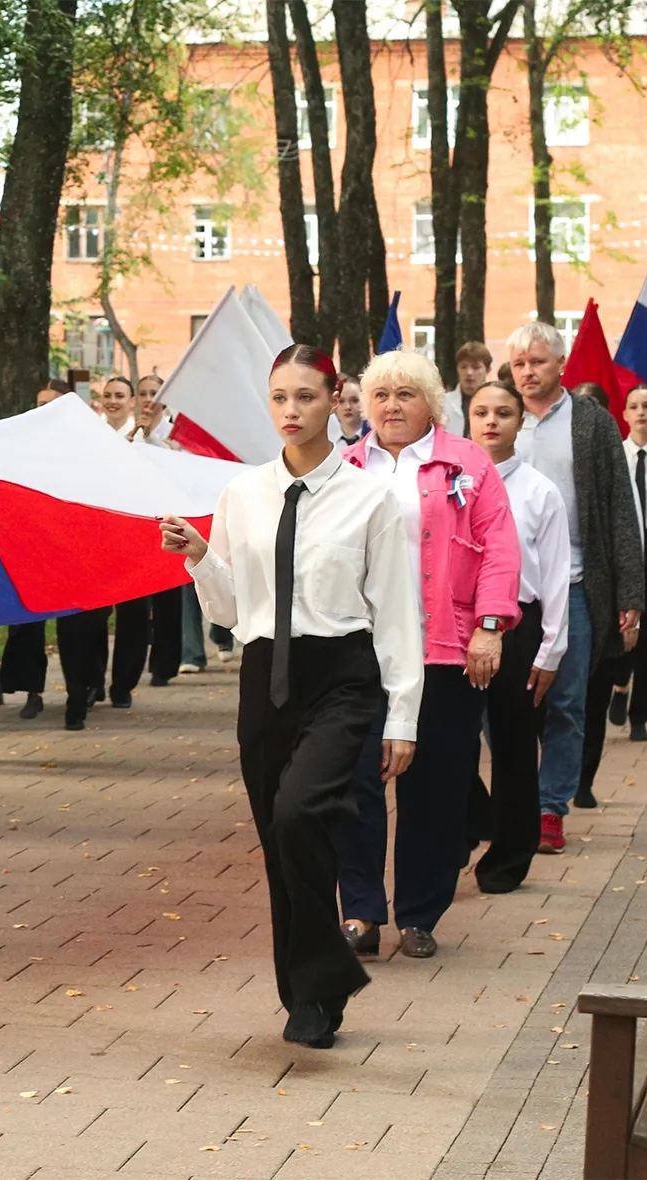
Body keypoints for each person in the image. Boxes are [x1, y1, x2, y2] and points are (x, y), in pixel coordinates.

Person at [160, 343, 422, 1049]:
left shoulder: (371, 497)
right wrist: (198, 558)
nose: (291, 411)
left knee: (303, 813)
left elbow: (396, 613)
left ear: (334, 401)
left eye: (305, 397)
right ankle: (308, 997)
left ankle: (323, 979)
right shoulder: (242, 494)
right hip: (264, 678)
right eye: (279, 397)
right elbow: (230, 610)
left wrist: (403, 717)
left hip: (342, 678)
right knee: (279, 842)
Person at [337, 350, 520, 960]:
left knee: (436, 788)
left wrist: (490, 626)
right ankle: (360, 912)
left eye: (405, 394)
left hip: (448, 649)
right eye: (381, 394)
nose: (391, 405)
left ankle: (420, 912)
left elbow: (499, 546)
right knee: (358, 782)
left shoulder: (466, 462)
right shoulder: (345, 467)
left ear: (431, 403)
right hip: (363, 653)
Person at [509, 322, 642, 851]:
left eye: (537, 362)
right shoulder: (498, 419)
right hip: (511, 589)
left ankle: (549, 808)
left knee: (567, 702)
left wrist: (630, 593)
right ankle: (514, 799)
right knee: (507, 702)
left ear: (560, 363)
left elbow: (619, 510)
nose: (527, 372)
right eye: (519, 363)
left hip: (579, 585)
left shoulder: (592, 422)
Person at [466, 381, 570, 893]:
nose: (491, 421)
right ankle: (472, 819)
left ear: (520, 422)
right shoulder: (449, 482)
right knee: (447, 738)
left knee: (511, 744)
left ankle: (508, 857)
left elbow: (554, 577)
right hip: (457, 622)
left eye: (503, 412)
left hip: (518, 624)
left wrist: (551, 649)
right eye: (481, 411)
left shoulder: (539, 491)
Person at [0, 380, 71, 719]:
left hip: (68, 547)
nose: (44, 410)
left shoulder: (78, 448)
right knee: (28, 622)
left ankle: (83, 688)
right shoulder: (19, 446)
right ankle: (32, 689)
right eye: (40, 403)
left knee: (79, 626)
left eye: (52, 404)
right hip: (30, 548)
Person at [607, 384, 647, 743]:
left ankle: (640, 714)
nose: (641, 412)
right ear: (625, 414)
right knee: (621, 629)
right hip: (623, 546)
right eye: (634, 406)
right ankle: (618, 684)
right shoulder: (616, 457)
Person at [129, 390, 182, 687]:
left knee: (167, 599)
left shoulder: (175, 433)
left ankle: (164, 663)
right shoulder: (124, 428)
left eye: (156, 392)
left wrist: (149, 437)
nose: (149, 398)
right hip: (135, 522)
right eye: (144, 392)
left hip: (167, 520)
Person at [443, 341, 493, 438]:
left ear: (487, 370)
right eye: (463, 367)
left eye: (476, 367)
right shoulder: (443, 403)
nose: (469, 372)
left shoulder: (497, 401)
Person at [329, 375, 367, 446]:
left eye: (354, 400)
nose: (348, 407)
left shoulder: (376, 439)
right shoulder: (327, 442)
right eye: (341, 401)